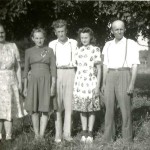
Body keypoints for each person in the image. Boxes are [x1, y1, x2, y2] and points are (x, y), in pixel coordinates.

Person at [101, 20, 140, 145]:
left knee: (125, 108)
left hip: (124, 74)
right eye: (116, 29)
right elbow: (105, 65)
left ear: (124, 29)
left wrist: (132, 83)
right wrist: (103, 82)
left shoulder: (131, 43)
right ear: (112, 31)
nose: (118, 31)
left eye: (121, 29)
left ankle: (127, 139)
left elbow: (134, 65)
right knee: (109, 109)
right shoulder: (107, 45)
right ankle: (108, 138)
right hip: (110, 75)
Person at [23, 27, 56, 140]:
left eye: (41, 38)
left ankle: (42, 134)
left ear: (44, 38)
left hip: (46, 82)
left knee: (44, 108)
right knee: (34, 109)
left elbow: (53, 69)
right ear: (33, 39)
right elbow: (26, 70)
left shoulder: (49, 50)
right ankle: (36, 134)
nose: (39, 40)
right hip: (33, 83)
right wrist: (25, 87)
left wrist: (53, 85)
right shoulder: (29, 51)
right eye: (36, 38)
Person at [49, 19, 77, 142]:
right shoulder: (52, 44)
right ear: (55, 32)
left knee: (69, 104)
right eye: (58, 31)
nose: (61, 34)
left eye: (63, 31)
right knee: (57, 105)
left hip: (70, 71)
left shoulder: (73, 43)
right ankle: (58, 134)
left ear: (66, 31)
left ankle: (67, 134)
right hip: (57, 73)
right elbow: (51, 63)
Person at [73, 27, 101, 143]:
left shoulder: (95, 50)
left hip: (91, 83)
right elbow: (76, 68)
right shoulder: (77, 51)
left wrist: (97, 86)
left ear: (90, 37)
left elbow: (99, 69)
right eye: (82, 38)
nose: (84, 40)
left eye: (86, 37)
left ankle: (90, 132)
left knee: (91, 109)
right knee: (82, 109)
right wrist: (77, 82)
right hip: (80, 83)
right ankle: (84, 131)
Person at [0, 23, 25, 141]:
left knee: (9, 109)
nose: (1, 34)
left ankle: (9, 136)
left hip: (11, 81)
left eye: (2, 32)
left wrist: (20, 83)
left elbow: (18, 67)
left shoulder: (12, 46)